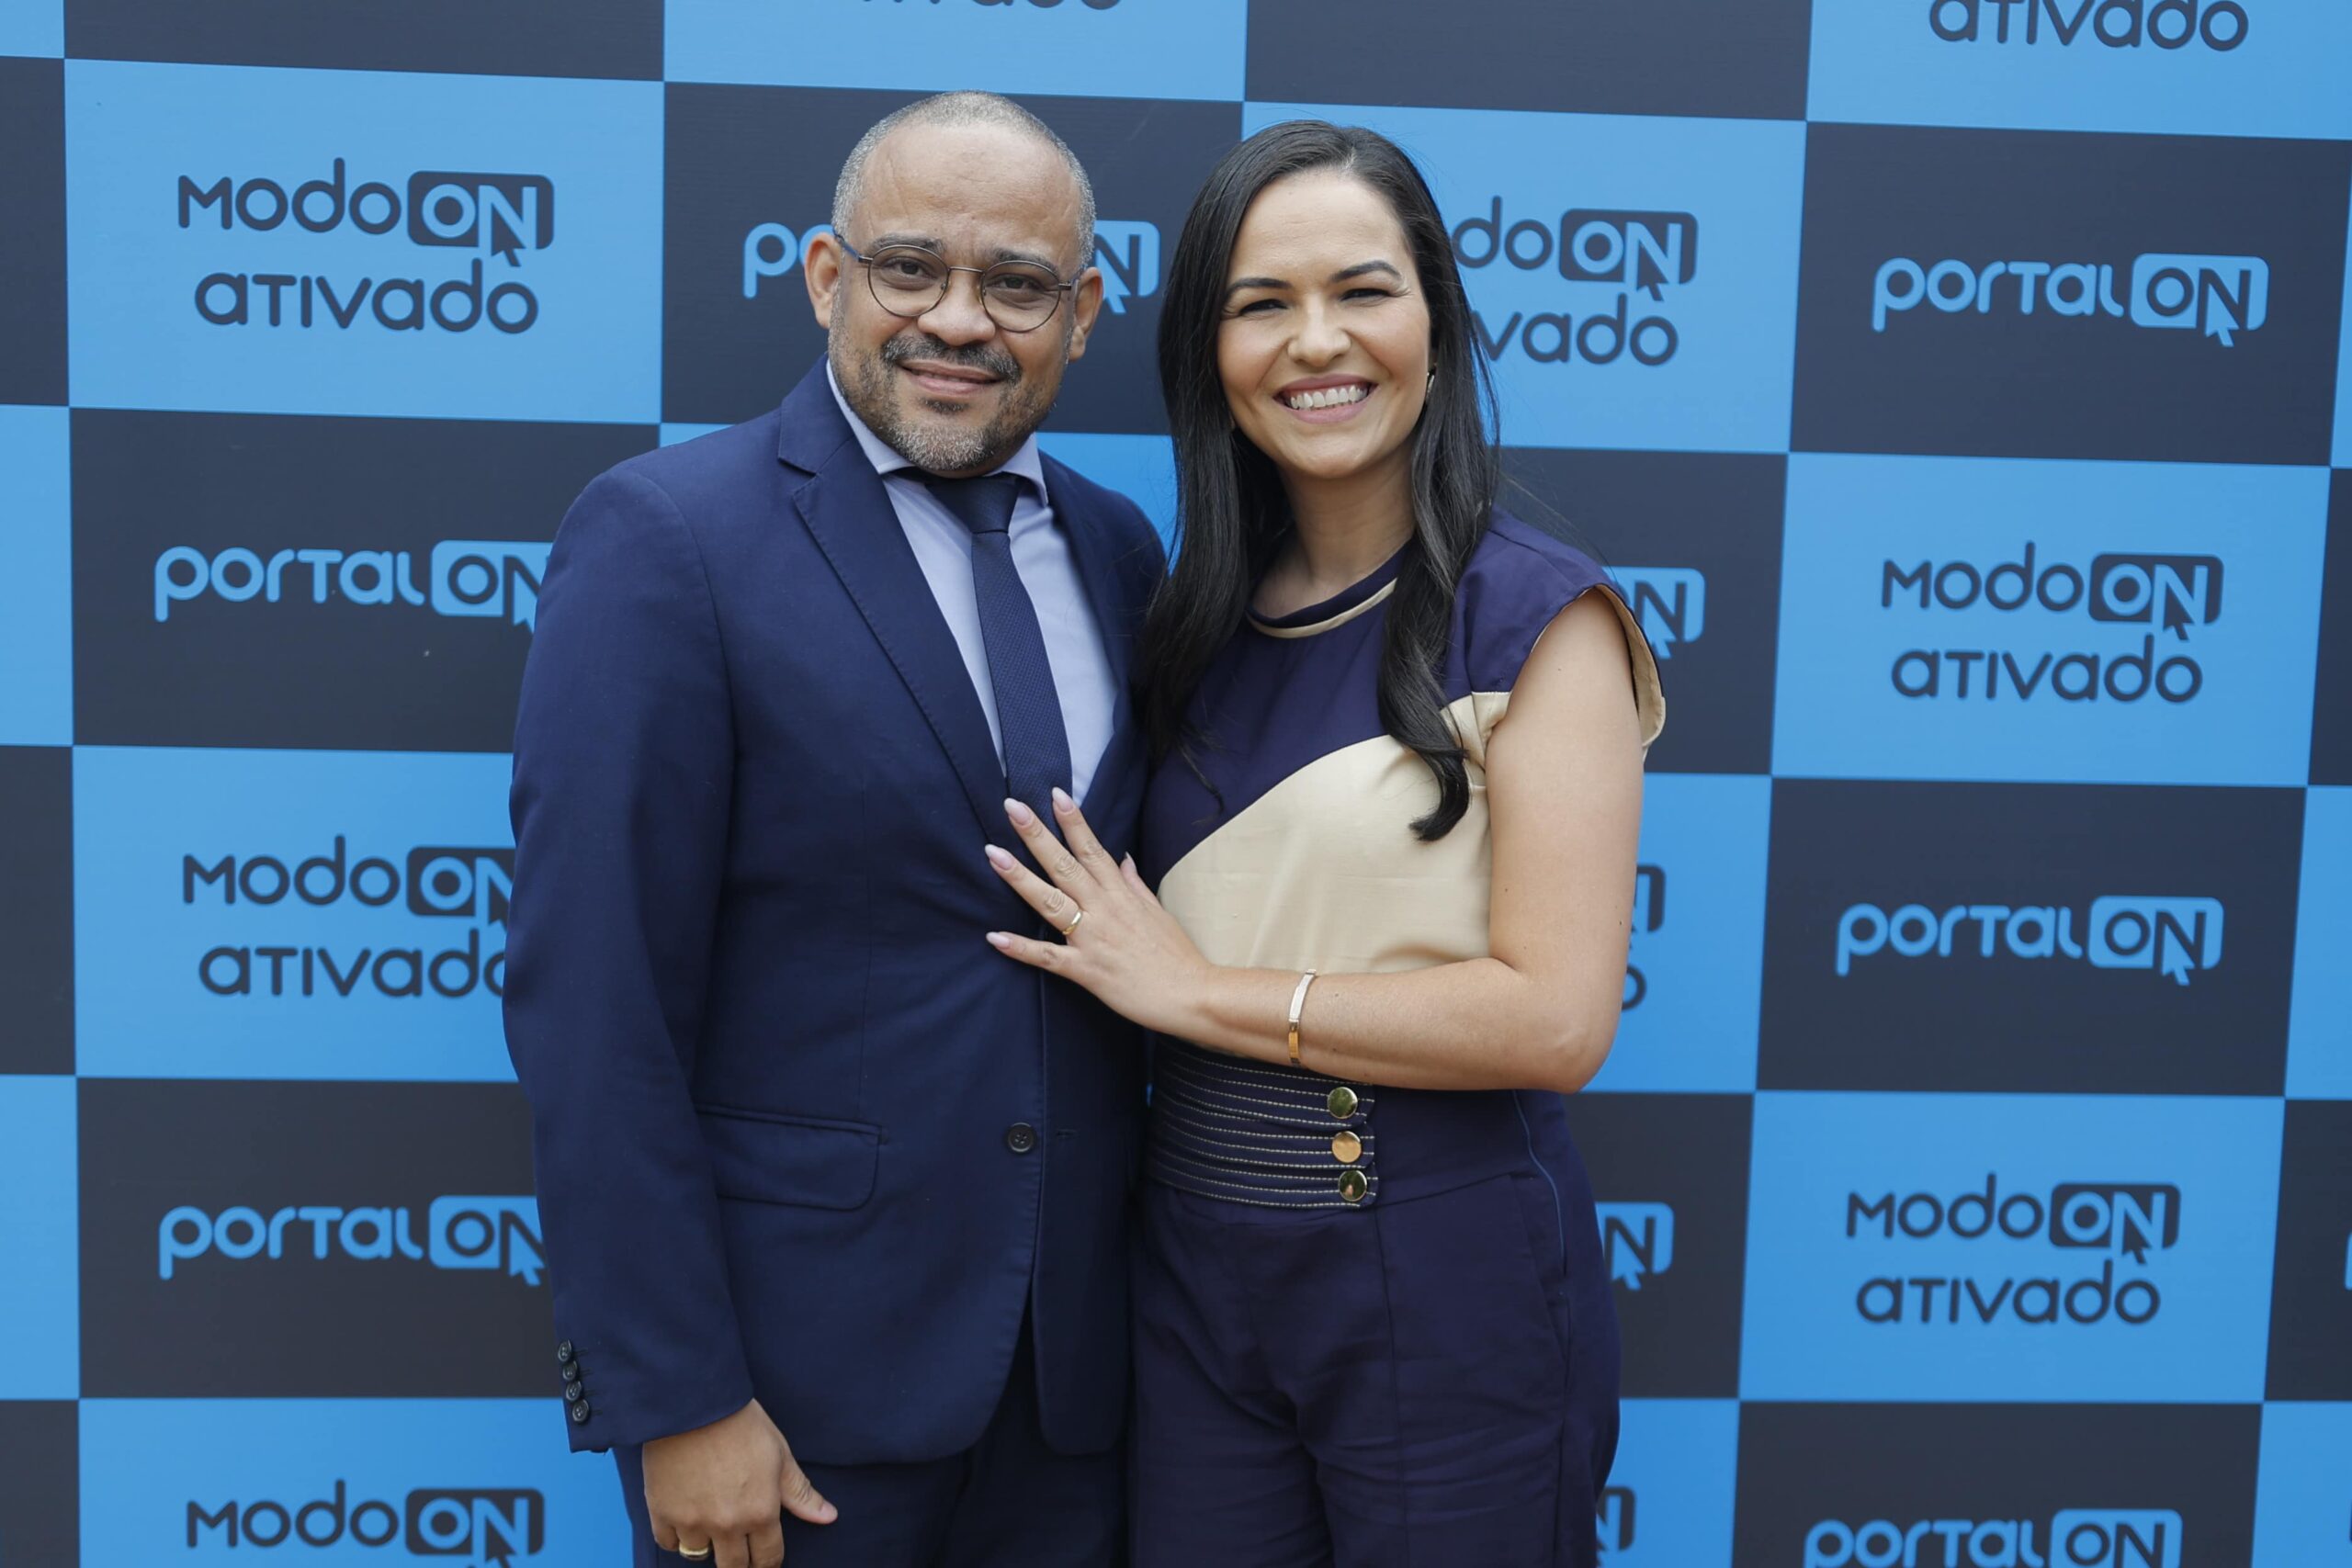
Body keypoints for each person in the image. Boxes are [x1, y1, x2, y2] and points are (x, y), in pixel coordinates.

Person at [978, 120, 1665, 1566]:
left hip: (1445, 1272)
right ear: (1208, 355)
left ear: (1438, 323)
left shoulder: (1540, 617)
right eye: (1261, 304)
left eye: (1363, 291)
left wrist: (1201, 995)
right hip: (1190, 1271)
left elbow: (1557, 1018)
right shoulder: (1184, 625)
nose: (1316, 342)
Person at [503, 92, 1164, 1568]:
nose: (959, 320)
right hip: (787, 1407)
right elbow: (592, 1000)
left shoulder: (1121, 552)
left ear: (1081, 314)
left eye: (1017, 284)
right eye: (910, 267)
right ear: (825, 278)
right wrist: (675, 1395)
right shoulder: (668, 535)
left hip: (1080, 1407)